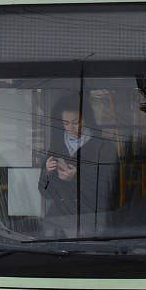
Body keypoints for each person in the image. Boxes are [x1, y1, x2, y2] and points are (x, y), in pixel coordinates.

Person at [38, 93, 119, 233]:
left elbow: (110, 189)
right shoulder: (56, 148)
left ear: (86, 119)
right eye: (65, 123)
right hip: (57, 224)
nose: (71, 128)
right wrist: (47, 172)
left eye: (76, 122)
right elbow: (45, 193)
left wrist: (76, 178)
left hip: (91, 219)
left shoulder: (104, 148)